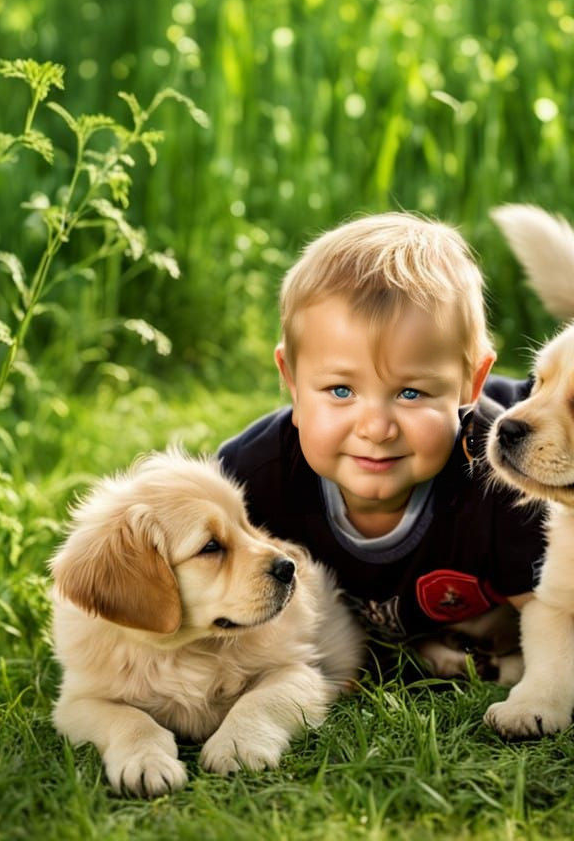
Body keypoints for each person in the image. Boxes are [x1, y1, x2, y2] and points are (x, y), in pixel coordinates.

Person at [215, 213, 545, 675]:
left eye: (410, 393)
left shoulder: (509, 477)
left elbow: (561, 619)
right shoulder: (250, 480)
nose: (376, 428)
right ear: (290, 378)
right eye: (340, 391)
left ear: (472, 383)